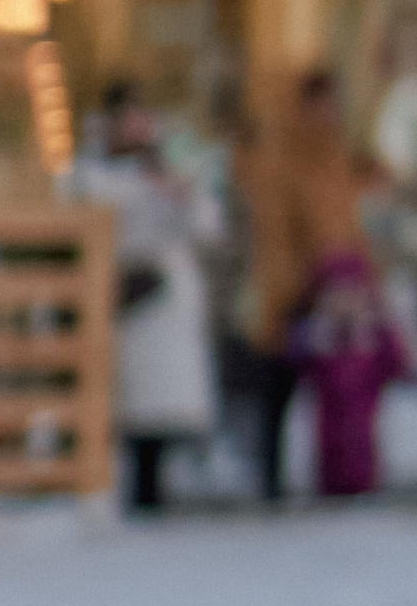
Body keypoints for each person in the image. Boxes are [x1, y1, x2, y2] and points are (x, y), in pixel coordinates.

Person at [69, 82, 217, 512]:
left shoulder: (170, 167)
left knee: (164, 405)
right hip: (123, 293)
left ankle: (161, 485)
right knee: (127, 402)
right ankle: (129, 490)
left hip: (166, 295)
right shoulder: (92, 172)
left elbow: (204, 225)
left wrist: (176, 190)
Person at [237, 67, 369, 499]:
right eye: (319, 101)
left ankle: (334, 472)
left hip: (333, 290)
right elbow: (275, 233)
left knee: (335, 390)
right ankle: (270, 477)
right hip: (296, 289)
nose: (327, 111)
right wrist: (293, 287)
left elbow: (346, 225)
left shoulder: (334, 156)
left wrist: (357, 277)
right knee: (278, 383)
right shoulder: (282, 159)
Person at [285, 256, 412, 498]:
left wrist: (385, 325)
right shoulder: (318, 337)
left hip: (367, 445)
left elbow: (397, 364)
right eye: (337, 294)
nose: (345, 301)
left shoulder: (372, 337)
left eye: (353, 294)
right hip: (326, 449)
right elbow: (295, 361)